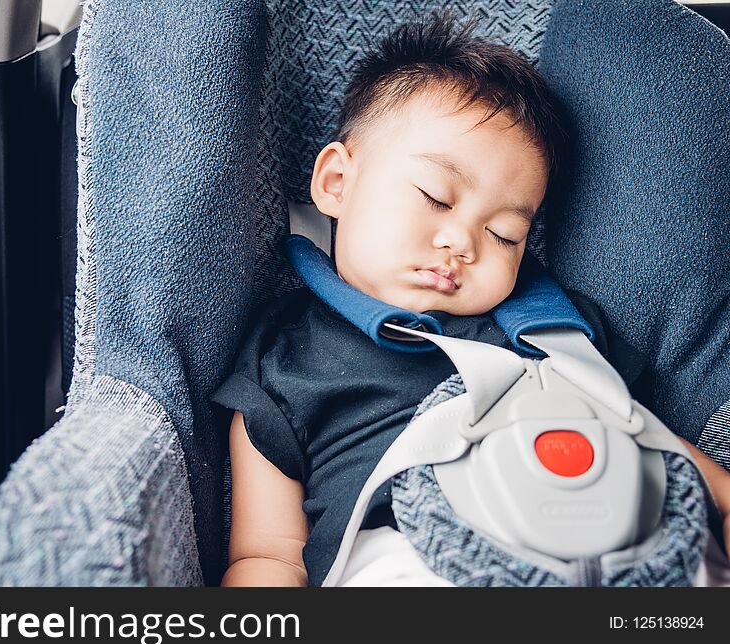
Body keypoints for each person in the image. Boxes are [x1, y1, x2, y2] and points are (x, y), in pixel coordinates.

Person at [211, 10, 730, 587]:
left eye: (505, 234)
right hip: (407, 558)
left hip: (622, 544)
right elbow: (268, 555)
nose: (462, 242)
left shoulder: (557, 327)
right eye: (436, 198)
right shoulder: (283, 358)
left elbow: (637, 433)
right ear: (336, 183)